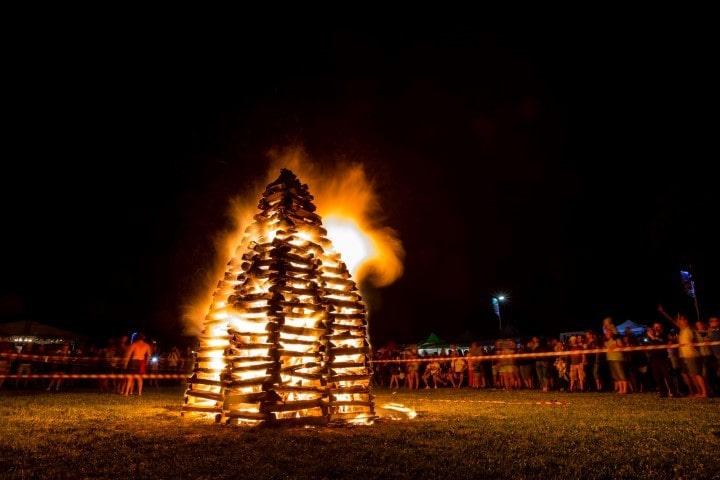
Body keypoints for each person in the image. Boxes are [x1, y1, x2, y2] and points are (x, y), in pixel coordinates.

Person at [658, 305, 708, 398]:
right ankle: (699, 392)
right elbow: (672, 321)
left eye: (680, 320)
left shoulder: (690, 330)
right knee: (692, 375)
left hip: (692, 355)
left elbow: (698, 340)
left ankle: (704, 393)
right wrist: (663, 312)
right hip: (685, 355)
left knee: (697, 374)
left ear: (685, 321)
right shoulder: (682, 330)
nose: (678, 321)